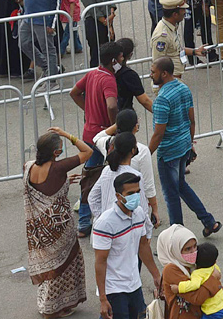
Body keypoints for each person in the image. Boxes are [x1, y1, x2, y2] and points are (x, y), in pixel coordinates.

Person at [23, 127, 92, 319]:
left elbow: (45, 188)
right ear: (56, 152)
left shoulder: (28, 167)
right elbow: (88, 151)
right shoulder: (58, 168)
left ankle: (50, 303)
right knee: (64, 264)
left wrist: (64, 181)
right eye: (60, 147)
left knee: (50, 264)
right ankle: (52, 308)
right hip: (60, 226)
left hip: (40, 227)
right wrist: (67, 135)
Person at [149, 57, 220, 236]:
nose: (150, 75)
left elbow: (159, 134)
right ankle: (209, 221)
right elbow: (192, 120)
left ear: (164, 74)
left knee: (171, 195)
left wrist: (144, 154)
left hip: (168, 153)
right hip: (183, 147)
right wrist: (189, 143)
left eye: (153, 72)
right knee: (181, 186)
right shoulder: (183, 88)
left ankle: (178, 238)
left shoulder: (161, 100)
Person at [91, 172, 161, 319]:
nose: (135, 196)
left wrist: (156, 274)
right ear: (118, 196)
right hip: (114, 289)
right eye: (130, 193)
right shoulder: (105, 223)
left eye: (137, 192)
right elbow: (100, 261)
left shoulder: (139, 213)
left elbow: (143, 246)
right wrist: (103, 299)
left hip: (134, 284)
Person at [70, 41, 120, 236]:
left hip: (89, 134)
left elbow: (74, 92)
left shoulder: (92, 74)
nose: (122, 62)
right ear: (114, 60)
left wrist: (88, 110)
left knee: (90, 177)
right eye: (121, 58)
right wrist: (115, 127)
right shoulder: (108, 79)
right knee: (114, 174)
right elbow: (111, 106)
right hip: (103, 137)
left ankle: (84, 223)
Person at [158, 225, 223, 319]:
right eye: (187, 249)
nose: (193, 252)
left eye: (194, 246)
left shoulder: (194, 263)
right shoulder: (171, 270)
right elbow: (197, 298)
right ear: (175, 250)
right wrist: (213, 279)